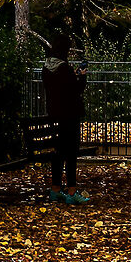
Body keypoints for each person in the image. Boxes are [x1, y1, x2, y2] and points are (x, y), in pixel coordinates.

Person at [41, 51, 89, 203]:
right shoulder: (64, 68)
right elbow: (76, 89)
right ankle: (72, 191)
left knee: (58, 153)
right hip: (70, 116)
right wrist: (82, 76)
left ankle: (55, 188)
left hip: (55, 115)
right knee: (70, 153)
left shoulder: (47, 68)